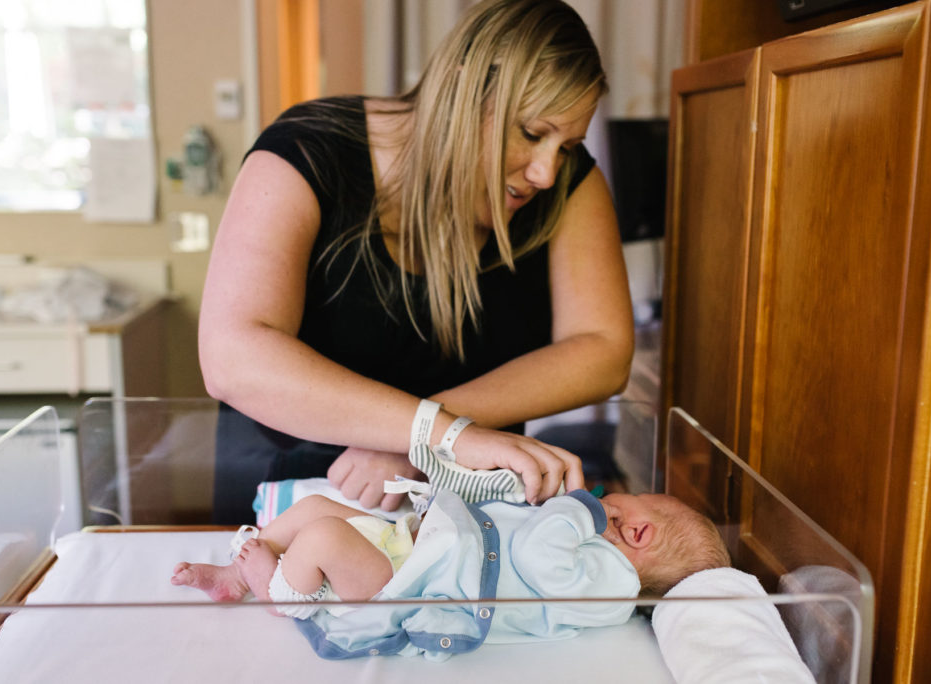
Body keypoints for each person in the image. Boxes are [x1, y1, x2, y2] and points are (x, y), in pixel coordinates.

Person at [200, 0, 635, 524]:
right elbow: (231, 357)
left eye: (567, 145)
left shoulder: (569, 182)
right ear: (461, 92)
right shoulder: (308, 150)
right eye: (531, 132)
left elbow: (603, 351)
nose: (546, 172)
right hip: (290, 488)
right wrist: (436, 432)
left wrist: (424, 437)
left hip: (461, 501)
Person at [171, 489, 731, 659]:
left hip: (408, 587)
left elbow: (540, 558)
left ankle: (281, 590)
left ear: (640, 536)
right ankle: (234, 576)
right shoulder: (601, 559)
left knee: (322, 538)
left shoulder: (613, 583)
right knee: (317, 507)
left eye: (624, 503)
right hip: (414, 548)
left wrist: (575, 509)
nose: (608, 499)